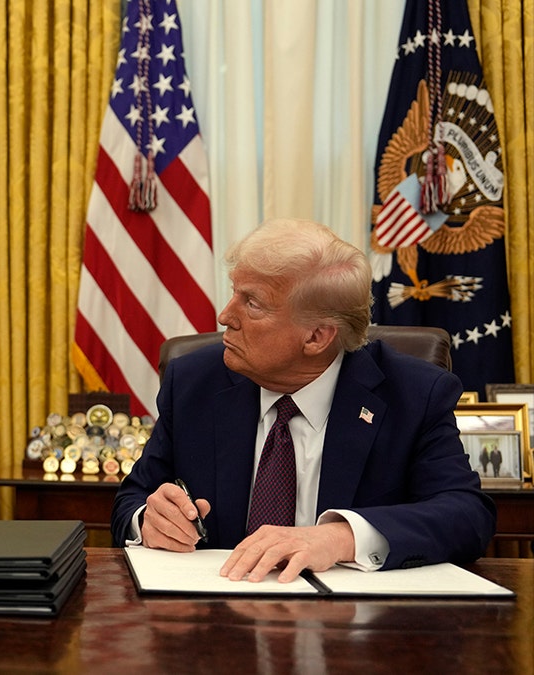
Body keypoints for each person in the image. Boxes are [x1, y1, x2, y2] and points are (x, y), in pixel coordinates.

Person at [111, 218, 495, 584]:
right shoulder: (194, 382)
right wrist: (147, 520)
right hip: (218, 621)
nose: (225, 315)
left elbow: (467, 516)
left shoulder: (413, 394)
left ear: (316, 338)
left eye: (252, 303)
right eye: (234, 292)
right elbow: (131, 499)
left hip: (356, 631)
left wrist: (340, 538)